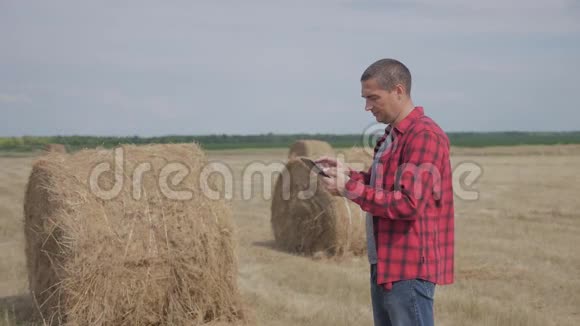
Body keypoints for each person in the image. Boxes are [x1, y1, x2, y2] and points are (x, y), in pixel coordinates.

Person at [316, 58, 454, 326]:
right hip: (385, 263)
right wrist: (348, 174)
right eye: (364, 98)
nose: (367, 106)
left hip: (408, 267)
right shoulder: (391, 136)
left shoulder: (423, 135)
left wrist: (348, 189)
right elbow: (381, 186)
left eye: (373, 98)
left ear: (398, 91)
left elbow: (407, 203)